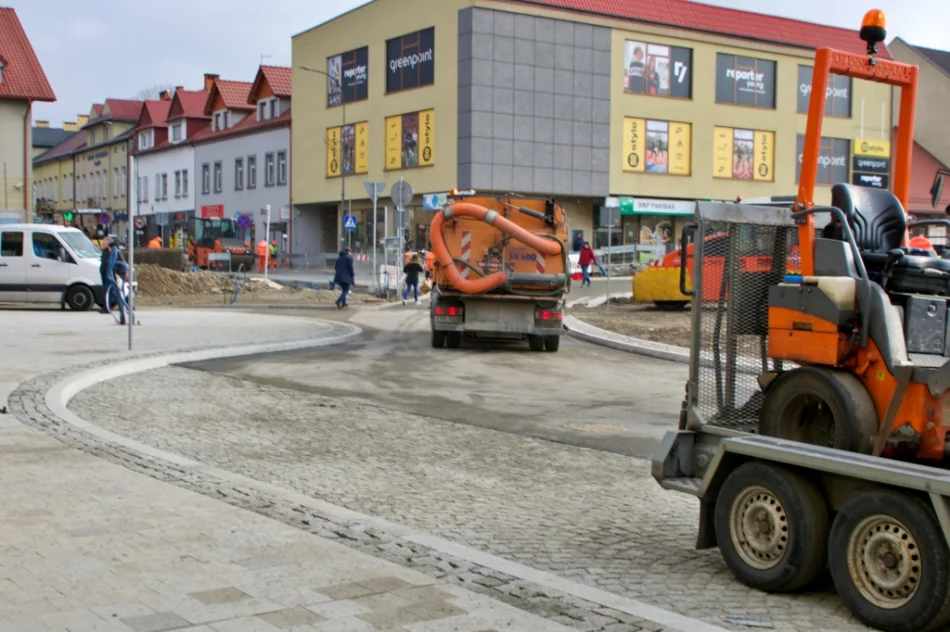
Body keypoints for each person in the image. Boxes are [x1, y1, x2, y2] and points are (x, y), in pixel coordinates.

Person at [99, 237, 126, 325]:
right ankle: (108, 306)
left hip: (113, 275)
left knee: (115, 291)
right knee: (108, 291)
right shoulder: (106, 252)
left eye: (105, 242)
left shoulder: (115, 252)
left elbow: (120, 264)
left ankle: (122, 305)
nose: (103, 244)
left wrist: (118, 274)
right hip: (107, 274)